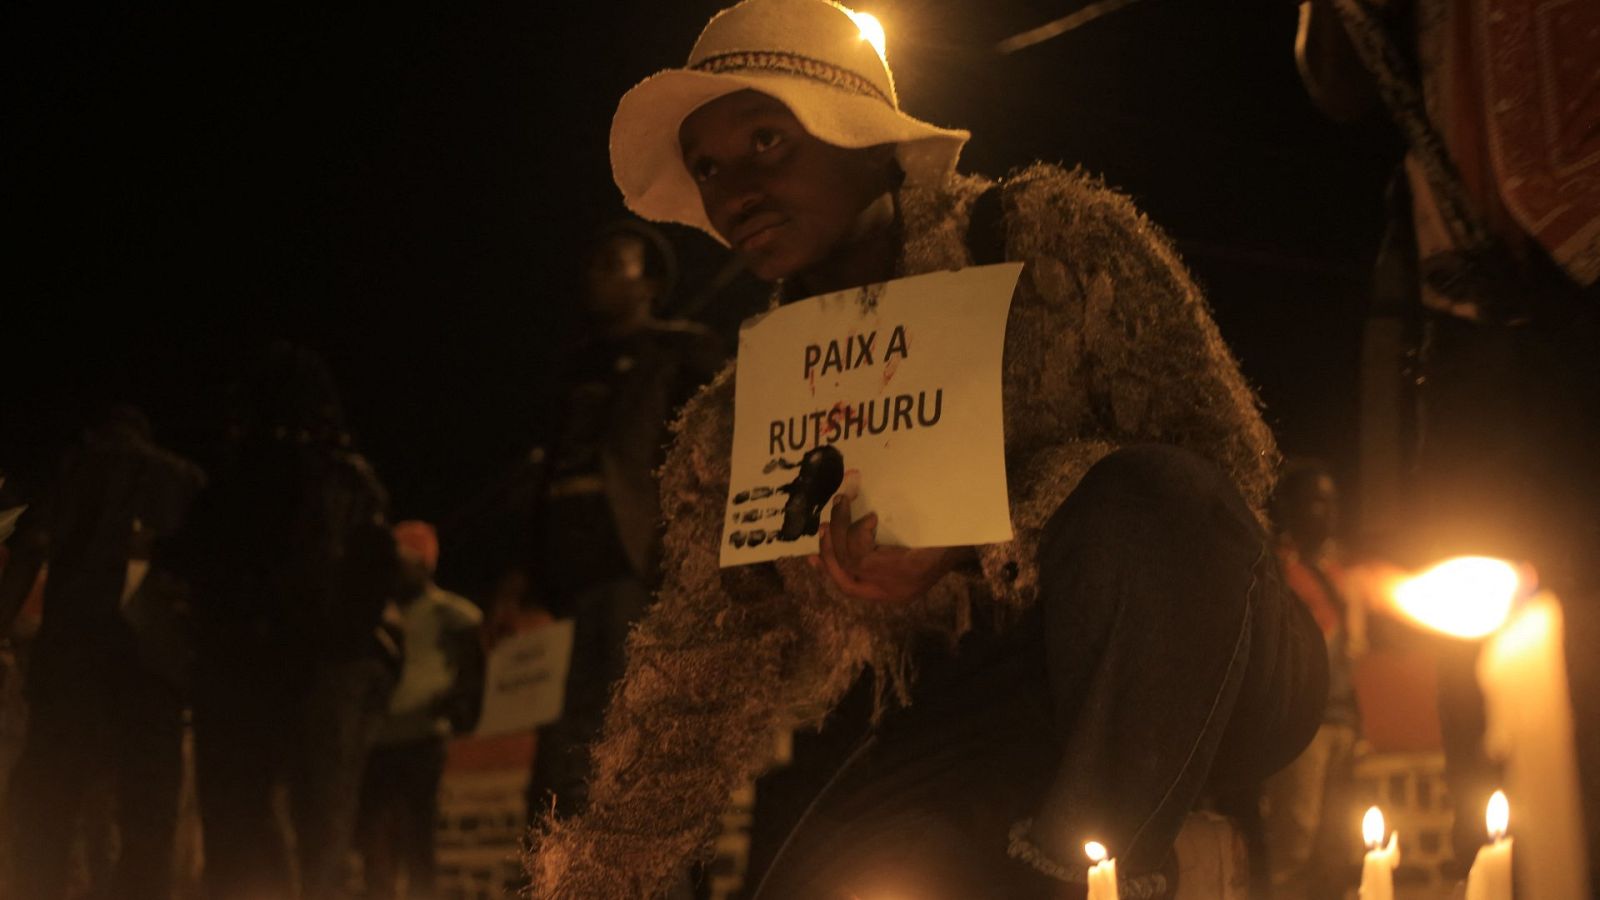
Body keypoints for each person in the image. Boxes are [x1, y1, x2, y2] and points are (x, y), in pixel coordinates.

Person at [525, 2, 1328, 898]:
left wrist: (980, 533)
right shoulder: (745, 414)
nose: (734, 191)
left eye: (767, 141)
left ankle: (1098, 866)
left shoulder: (1049, 242)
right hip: (990, 712)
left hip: (1212, 657)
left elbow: (1210, 491)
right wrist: (595, 883)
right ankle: (1073, 852)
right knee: (825, 878)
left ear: (865, 138)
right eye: (706, 167)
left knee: (1151, 495)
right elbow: (694, 676)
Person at [1293, 0, 1600, 881]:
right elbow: (1338, 80)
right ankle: (1499, 871)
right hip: (1470, 313)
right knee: (1483, 652)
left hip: (1579, 289)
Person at [159, 342, 402, 900]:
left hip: (247, 673)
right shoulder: (344, 478)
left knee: (242, 818)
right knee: (313, 825)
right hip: (297, 671)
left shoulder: (232, 481)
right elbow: (372, 572)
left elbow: (187, 567)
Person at [527, 220, 723, 821]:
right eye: (595, 264)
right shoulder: (573, 366)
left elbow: (711, 445)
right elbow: (547, 467)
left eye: (615, 264)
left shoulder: (680, 351)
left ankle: (632, 847)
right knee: (563, 731)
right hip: (566, 572)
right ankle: (557, 852)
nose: (597, 275)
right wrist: (523, 574)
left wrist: (684, 546)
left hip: (636, 560)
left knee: (628, 714)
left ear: (651, 285)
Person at [2, 405, 205, 900]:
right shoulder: (185, 480)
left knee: (50, 802)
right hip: (152, 669)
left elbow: (33, 547)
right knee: (146, 814)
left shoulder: (75, 469)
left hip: (71, 660)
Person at [357, 521, 484, 900]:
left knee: (417, 836)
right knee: (375, 838)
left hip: (423, 738)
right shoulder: (378, 615)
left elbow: (475, 668)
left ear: (425, 564)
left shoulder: (453, 613)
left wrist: (456, 704)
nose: (395, 571)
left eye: (404, 562)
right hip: (378, 741)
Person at [1260, 461, 1362, 898]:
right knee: (1294, 844)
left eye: (1333, 502)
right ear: (1291, 507)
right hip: (1304, 728)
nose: (1329, 513)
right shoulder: (1277, 569)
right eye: (1317, 502)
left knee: (1336, 846)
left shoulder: (1335, 569)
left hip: (1342, 721)